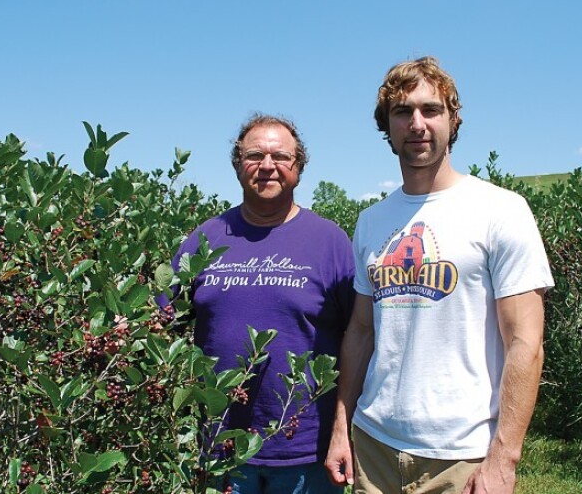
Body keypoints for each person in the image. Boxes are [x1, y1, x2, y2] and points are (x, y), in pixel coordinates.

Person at [324, 56, 554, 493]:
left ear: (453, 120)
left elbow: (526, 342)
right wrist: (341, 426)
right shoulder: (372, 221)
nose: (417, 124)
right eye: (402, 112)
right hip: (373, 445)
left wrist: (503, 460)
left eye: (431, 110)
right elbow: (359, 331)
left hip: (462, 455)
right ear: (387, 127)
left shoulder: (501, 210)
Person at [170, 113, 354, 493]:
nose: (267, 166)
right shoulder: (204, 239)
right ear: (238, 165)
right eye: (254, 155)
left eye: (281, 157)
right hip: (218, 449)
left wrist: (344, 430)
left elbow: (359, 339)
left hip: (306, 453)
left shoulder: (330, 242)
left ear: (298, 167)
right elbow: (160, 324)